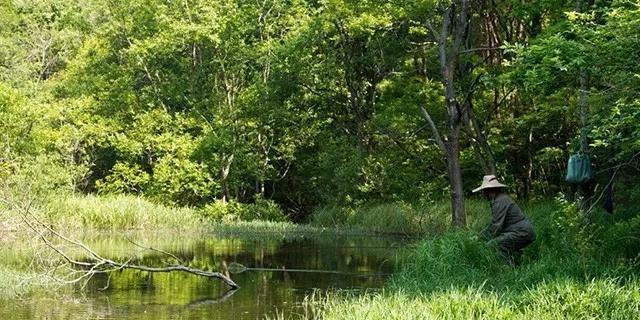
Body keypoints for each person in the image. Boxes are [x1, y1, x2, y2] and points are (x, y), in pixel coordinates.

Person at [473, 175, 536, 265]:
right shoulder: (501, 199)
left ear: (489, 191)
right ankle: (517, 265)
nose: (484, 194)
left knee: (493, 245)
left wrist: (481, 239)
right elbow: (493, 223)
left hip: (522, 232)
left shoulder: (500, 201)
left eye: (484, 191)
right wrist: (480, 235)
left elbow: (496, 226)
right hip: (522, 231)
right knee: (504, 243)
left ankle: (507, 270)